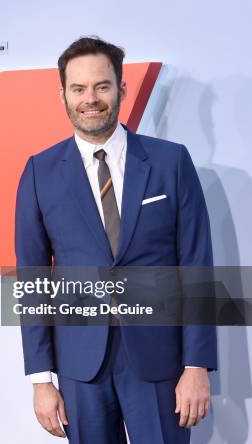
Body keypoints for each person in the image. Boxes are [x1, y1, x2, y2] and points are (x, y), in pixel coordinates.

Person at [14, 36, 217, 443]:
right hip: (80, 367)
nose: (91, 98)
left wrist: (197, 365)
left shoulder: (170, 162)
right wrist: (41, 379)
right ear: (64, 95)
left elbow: (197, 266)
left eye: (102, 86)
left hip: (161, 363)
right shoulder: (40, 172)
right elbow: (32, 280)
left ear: (121, 89)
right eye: (79, 89)